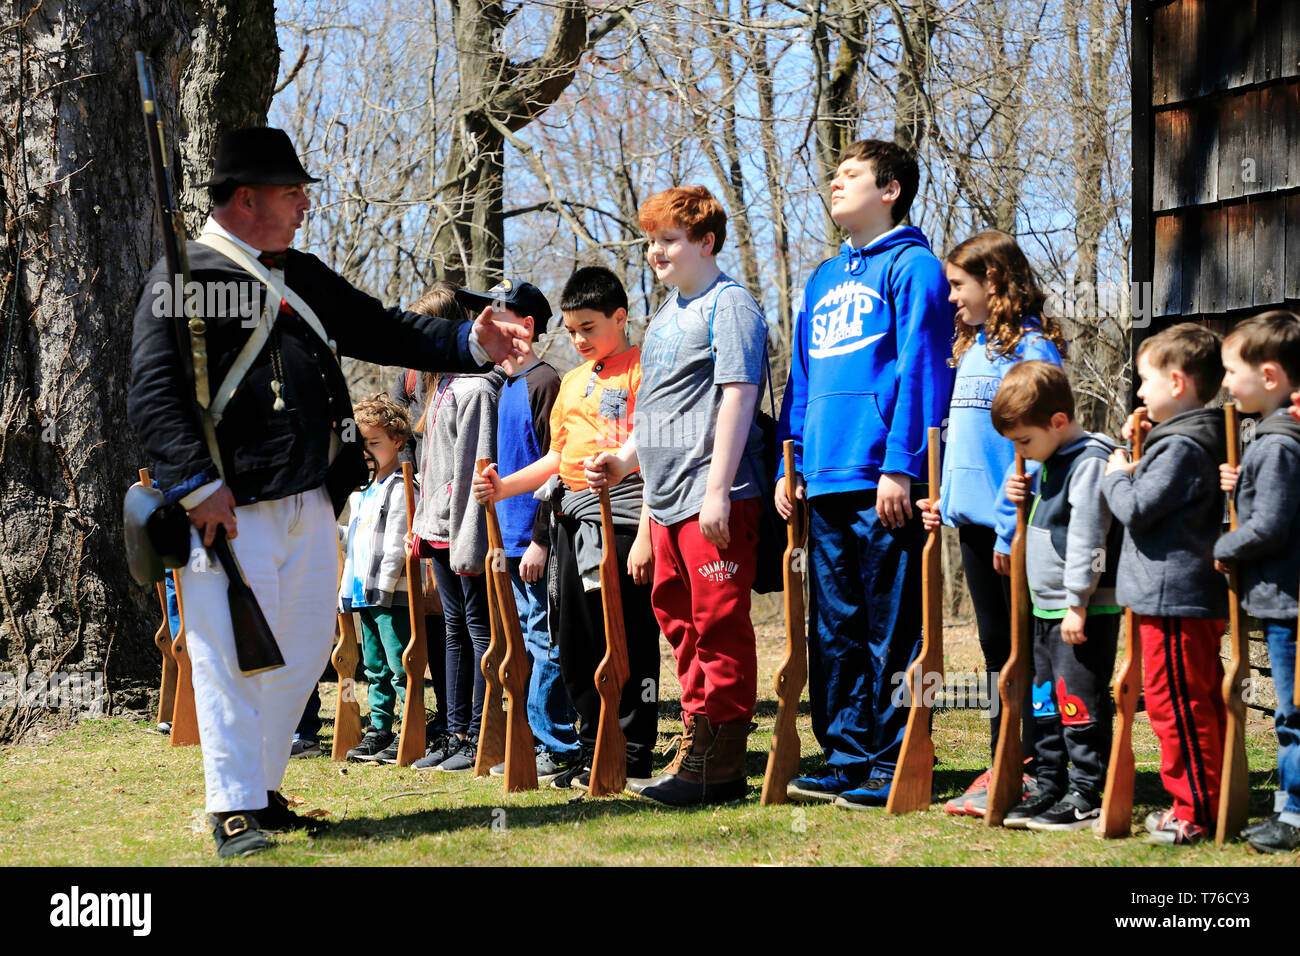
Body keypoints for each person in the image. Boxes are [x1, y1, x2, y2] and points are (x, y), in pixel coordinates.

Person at [127, 127, 526, 859]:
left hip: (309, 496)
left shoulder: (297, 273)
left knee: (306, 647)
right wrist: (195, 485)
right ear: (247, 200)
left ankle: (264, 788)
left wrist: (473, 341)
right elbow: (155, 395)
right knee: (225, 658)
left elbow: (380, 327)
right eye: (291, 192)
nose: (305, 203)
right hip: (226, 506)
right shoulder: (185, 276)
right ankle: (232, 808)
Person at [774, 139, 954, 809]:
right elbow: (801, 377)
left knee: (892, 628)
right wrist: (787, 464)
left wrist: (903, 468)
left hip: (885, 478)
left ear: (891, 190)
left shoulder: (916, 269)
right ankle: (846, 757)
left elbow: (922, 372)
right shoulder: (822, 279)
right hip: (820, 477)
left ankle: (892, 760)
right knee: (835, 626)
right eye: (833, 173)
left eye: (849, 175)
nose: (833, 184)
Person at [587, 186, 768, 805]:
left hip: (713, 497)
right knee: (679, 624)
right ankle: (698, 740)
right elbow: (658, 410)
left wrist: (718, 491)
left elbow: (740, 396)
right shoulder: (665, 317)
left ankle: (721, 762)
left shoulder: (731, 306)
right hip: (662, 504)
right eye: (651, 241)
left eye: (668, 240)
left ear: (706, 243)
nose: (655, 252)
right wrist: (623, 460)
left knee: (719, 624)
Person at [473, 266, 660, 789]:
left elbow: (654, 443)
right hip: (570, 518)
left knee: (625, 633)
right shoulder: (573, 382)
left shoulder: (644, 368)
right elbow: (557, 457)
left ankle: (633, 746)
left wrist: (645, 529)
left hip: (622, 514)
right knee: (573, 639)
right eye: (572, 330)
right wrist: (503, 486)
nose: (578, 340)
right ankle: (591, 742)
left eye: (590, 328)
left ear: (620, 319)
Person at [917, 230, 1067, 817]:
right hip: (975, 526)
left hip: (1019, 531)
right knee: (993, 648)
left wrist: (1012, 527)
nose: (951, 297)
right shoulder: (975, 347)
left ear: (995, 281)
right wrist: (945, 501)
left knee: (1027, 649)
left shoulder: (1032, 349)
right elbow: (973, 444)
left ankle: (1039, 764)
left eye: (959, 285)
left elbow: (1034, 447)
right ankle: (1003, 756)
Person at [1101, 323, 1227, 845]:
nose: (1139, 391)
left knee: (1177, 704)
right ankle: (1208, 800)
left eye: (1145, 381)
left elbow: (1136, 507)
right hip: (1170, 595)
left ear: (1176, 383)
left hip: (1173, 597)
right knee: (1189, 699)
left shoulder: (1182, 447)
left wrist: (1116, 473)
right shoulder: (1180, 439)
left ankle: (1193, 809)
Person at [459, 280, 581, 782]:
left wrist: (539, 538)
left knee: (545, 639)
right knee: (521, 643)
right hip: (504, 542)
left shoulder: (546, 382)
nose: (486, 322)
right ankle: (533, 742)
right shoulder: (502, 384)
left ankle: (559, 744)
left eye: (499, 314)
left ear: (526, 327)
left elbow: (556, 470)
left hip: (536, 541)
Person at [994, 361, 1122, 831]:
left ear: (1059, 423)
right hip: (1047, 605)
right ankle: (1051, 784)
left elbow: (1090, 535)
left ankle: (1087, 794)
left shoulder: (1089, 462)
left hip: (1080, 609)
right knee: (1046, 699)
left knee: (1079, 701)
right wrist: (1020, 497)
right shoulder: (1051, 461)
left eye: (1024, 442)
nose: (1020, 452)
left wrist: (1077, 603)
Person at [405, 286, 506, 772]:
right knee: (451, 629)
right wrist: (422, 524)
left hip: (467, 532)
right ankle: (456, 730)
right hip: (438, 528)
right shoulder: (441, 384)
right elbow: (435, 467)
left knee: (479, 628)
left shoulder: (478, 388)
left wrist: (469, 539)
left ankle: (487, 733)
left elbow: (474, 472)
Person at [1214, 311, 1300, 853]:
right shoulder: (1270, 441)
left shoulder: (1278, 444)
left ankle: (1294, 813)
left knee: (1293, 712)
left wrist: (1222, 546)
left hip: (1289, 606)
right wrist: (1240, 482)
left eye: (1230, 371)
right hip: (1277, 601)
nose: (1224, 382)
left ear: (1268, 377)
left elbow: (1270, 525)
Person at [338, 395, 415, 764]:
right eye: (361, 444)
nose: (366, 451)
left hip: (389, 595)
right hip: (360, 593)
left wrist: (383, 587)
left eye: (374, 443)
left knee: (400, 664)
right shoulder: (361, 490)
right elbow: (357, 540)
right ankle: (380, 729)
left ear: (397, 441)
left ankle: (413, 729)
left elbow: (397, 546)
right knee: (373, 667)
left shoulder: (403, 487)